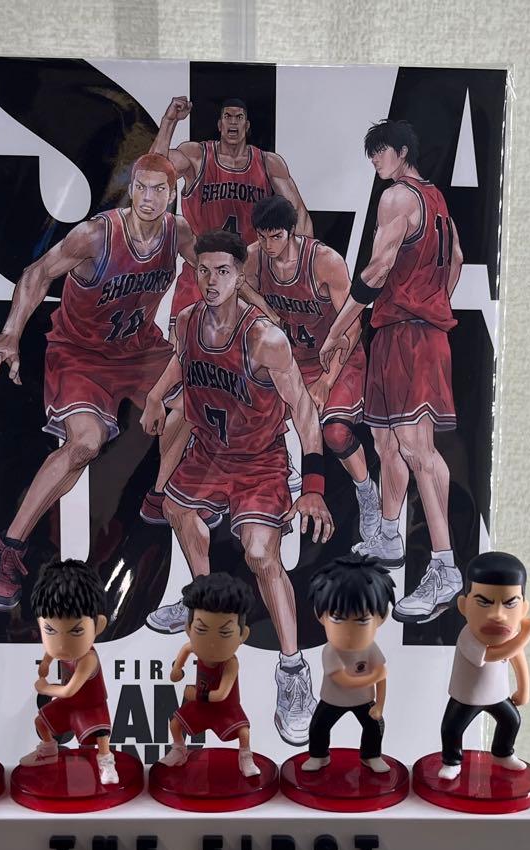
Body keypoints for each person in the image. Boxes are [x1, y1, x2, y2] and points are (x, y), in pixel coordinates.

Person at [0, 153, 239, 610]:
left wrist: (255, 315)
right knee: (85, 445)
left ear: (171, 194)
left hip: (139, 350)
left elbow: (218, 273)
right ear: (131, 189)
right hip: (82, 354)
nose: (148, 197)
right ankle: (6, 549)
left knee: (201, 398)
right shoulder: (96, 234)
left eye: (159, 189)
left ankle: (161, 495)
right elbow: (38, 273)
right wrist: (10, 333)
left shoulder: (178, 232)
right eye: (141, 187)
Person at [140, 229, 334, 746]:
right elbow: (182, 361)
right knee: (177, 509)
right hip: (209, 453)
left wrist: (314, 485)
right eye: (203, 270)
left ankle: (292, 670)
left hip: (258, 460)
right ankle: (203, 599)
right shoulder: (187, 321)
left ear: (239, 275)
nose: (211, 281)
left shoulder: (264, 338)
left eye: (223, 271)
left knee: (260, 554)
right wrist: (157, 396)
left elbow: (304, 410)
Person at [141, 96, 313, 523]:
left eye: (239, 117)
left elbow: (300, 217)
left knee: (256, 383)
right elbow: (154, 173)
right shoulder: (198, 156)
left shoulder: (268, 163)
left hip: (246, 280)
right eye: (226, 117)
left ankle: (262, 466)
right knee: (187, 396)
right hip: (198, 283)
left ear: (247, 124)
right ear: (218, 124)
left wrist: (297, 266)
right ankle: (165, 488)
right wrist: (168, 123)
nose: (233, 123)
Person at [320, 119, 465, 623]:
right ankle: (387, 534)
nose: (374, 161)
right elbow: (456, 258)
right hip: (403, 330)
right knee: (386, 442)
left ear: (402, 151)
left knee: (418, 451)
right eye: (371, 154)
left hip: (409, 333)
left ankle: (444, 568)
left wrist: (339, 327)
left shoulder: (398, 196)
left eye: (380, 151)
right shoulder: (437, 200)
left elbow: (377, 269)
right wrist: (434, 300)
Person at [245, 194, 380, 541]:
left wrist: (326, 381)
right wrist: (263, 308)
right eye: (263, 237)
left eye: (276, 237)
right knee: (249, 416)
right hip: (291, 361)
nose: (269, 245)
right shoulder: (254, 257)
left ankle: (366, 491)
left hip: (334, 358)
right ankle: (283, 482)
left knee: (334, 432)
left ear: (292, 231)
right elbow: (240, 289)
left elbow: (352, 326)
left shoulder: (323, 262)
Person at [17, 559, 118, 785]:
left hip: (90, 706)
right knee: (41, 722)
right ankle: (48, 750)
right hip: (69, 705)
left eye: (76, 631)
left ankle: (106, 761)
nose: (61, 644)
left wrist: (45, 687)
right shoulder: (64, 651)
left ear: (98, 626)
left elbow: (69, 690)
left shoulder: (88, 659)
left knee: (100, 736)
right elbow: (53, 652)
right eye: (50, 630)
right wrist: (46, 662)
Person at [439, 551, 530, 780]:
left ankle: (502, 753)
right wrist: (525, 635)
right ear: (464, 605)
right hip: (467, 697)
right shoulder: (467, 637)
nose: (498, 615)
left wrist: (523, 690)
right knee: (452, 728)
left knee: (511, 720)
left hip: (497, 695)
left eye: (510, 604)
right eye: (484, 603)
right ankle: (452, 761)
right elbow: (494, 654)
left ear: (523, 609)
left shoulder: (511, 637)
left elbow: (518, 658)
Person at [158, 572, 259, 778]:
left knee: (243, 732)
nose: (212, 643)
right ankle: (179, 750)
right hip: (201, 707)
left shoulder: (230, 663)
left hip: (226, 709)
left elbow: (221, 694)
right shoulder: (193, 647)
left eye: (224, 633)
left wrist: (195, 694)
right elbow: (186, 650)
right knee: (175, 723)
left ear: (242, 635)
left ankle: (245, 756)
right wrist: (177, 670)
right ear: (188, 629)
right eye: (202, 631)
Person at [304, 555, 395, 774]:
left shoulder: (371, 648)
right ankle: (319, 755)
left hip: (364, 700)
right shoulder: (331, 651)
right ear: (320, 616)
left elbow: (382, 679)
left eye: (362, 621)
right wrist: (375, 676)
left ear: (381, 618)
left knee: (374, 725)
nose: (348, 631)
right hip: (332, 699)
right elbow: (343, 680)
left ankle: (371, 755)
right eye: (338, 619)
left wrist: (380, 705)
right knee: (319, 726)